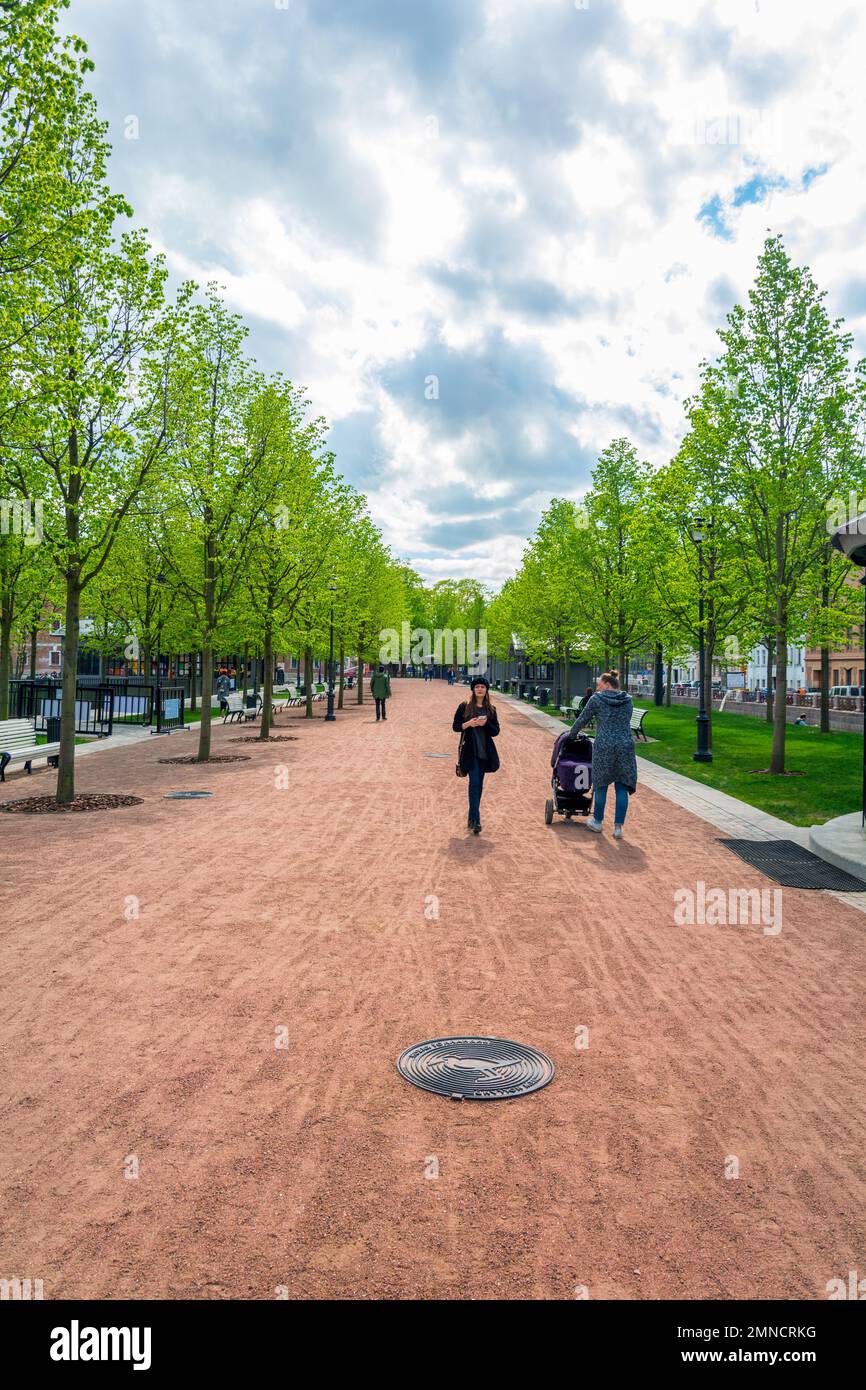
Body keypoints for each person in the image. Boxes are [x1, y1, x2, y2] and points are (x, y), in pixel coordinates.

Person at [568, 670, 637, 839]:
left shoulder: (597, 699)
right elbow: (625, 721)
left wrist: (571, 735)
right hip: (625, 746)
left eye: (599, 684)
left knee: (601, 784)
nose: (597, 687)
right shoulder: (628, 701)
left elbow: (582, 718)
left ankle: (597, 822)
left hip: (604, 746)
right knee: (622, 786)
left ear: (607, 684)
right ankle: (618, 828)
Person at [453, 675, 500, 834]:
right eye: (477, 687)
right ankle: (476, 820)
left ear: (486, 690)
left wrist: (485, 724)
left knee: (478, 785)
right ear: (473, 689)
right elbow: (455, 727)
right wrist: (468, 724)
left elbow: (496, 732)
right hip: (469, 752)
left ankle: (472, 816)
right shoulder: (464, 707)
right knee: (474, 783)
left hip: (484, 753)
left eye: (483, 687)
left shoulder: (491, 710)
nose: (480, 689)